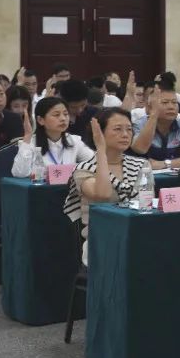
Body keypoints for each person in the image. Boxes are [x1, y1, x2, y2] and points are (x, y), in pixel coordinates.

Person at [63, 109, 146, 265]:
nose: (125, 134)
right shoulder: (84, 169)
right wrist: (101, 149)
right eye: (117, 129)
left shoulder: (141, 165)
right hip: (102, 240)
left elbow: (147, 204)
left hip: (138, 235)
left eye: (129, 129)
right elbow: (103, 194)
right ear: (99, 133)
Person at [11, 97, 95, 177]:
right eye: (56, 115)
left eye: (66, 114)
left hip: (68, 187)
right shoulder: (30, 143)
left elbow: (95, 162)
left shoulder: (73, 140)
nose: (63, 118)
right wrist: (27, 136)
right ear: (40, 120)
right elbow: (19, 173)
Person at [130, 83, 180, 170]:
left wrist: (163, 164)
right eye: (165, 102)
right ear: (149, 107)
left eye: (174, 102)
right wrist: (153, 115)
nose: (171, 107)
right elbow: (140, 149)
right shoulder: (139, 124)